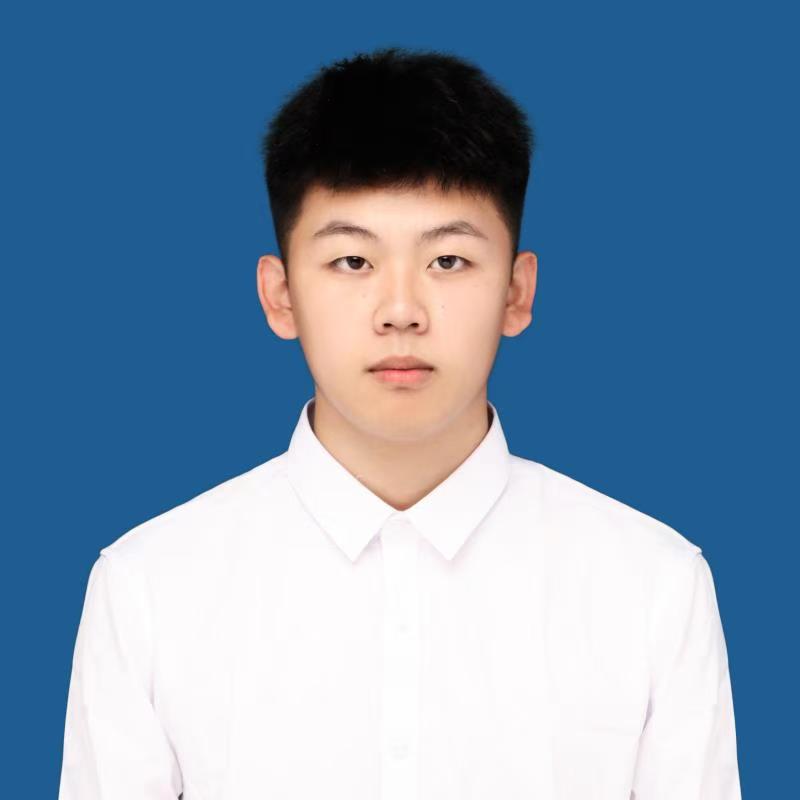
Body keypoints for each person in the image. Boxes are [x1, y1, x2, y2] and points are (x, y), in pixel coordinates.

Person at [58, 46, 742, 799]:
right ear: (280, 296)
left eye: (448, 261)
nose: (401, 311)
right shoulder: (150, 588)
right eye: (353, 262)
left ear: (517, 292)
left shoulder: (652, 587)